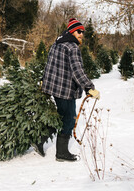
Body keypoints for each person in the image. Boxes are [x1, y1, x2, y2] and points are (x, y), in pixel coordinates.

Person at [32, 18, 100, 162]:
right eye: (78, 31)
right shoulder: (72, 47)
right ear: (71, 31)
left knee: (60, 116)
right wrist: (89, 87)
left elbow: (48, 65)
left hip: (54, 88)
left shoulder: (57, 43)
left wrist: (44, 81)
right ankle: (61, 153)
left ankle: (39, 139)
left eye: (82, 32)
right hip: (65, 90)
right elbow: (77, 71)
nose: (81, 34)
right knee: (68, 119)